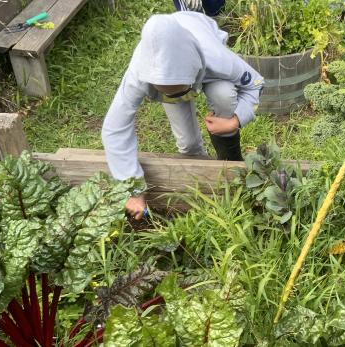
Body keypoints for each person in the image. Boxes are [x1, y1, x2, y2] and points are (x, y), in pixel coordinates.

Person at [101, 12, 263, 219]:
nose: (181, 98)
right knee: (187, 142)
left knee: (223, 94)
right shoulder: (139, 73)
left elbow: (255, 83)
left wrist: (234, 121)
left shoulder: (217, 58)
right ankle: (199, 168)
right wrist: (133, 190)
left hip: (204, 51)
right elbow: (115, 129)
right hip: (176, 77)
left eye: (181, 92)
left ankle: (229, 158)